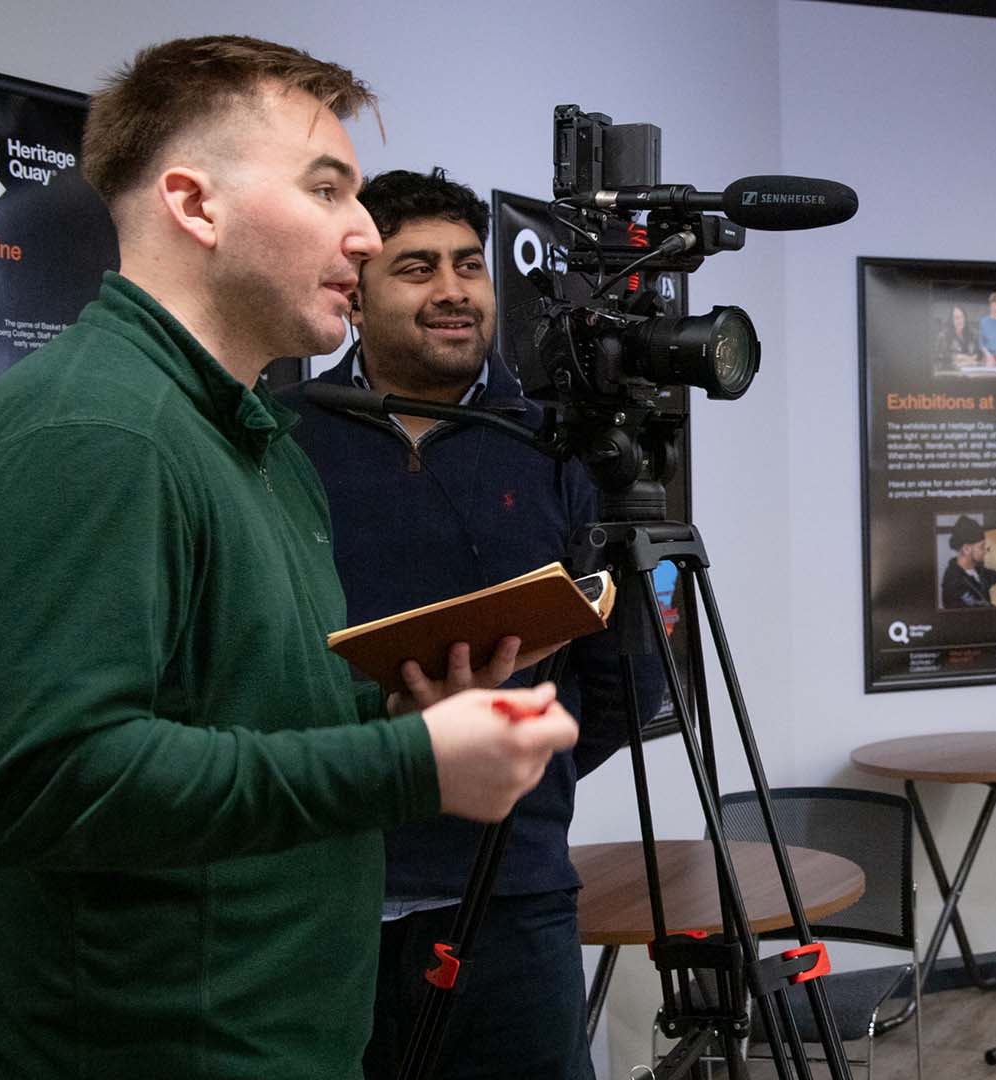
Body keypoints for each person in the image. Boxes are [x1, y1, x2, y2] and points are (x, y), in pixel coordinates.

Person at [0, 36, 582, 1080]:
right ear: (197, 207)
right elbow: (47, 781)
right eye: (327, 190)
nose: (365, 235)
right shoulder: (97, 430)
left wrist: (391, 726)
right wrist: (405, 763)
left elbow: (234, 718)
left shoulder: (254, 441)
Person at [277, 168, 625, 1080]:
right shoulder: (280, 440)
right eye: (418, 268)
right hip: (317, 889)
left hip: (510, 888)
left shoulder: (553, 449)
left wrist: (511, 760)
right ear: (354, 294)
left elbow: (624, 680)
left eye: (469, 266)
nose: (453, 291)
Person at [940, 514, 996, 608]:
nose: (985, 551)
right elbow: (988, 614)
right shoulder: (955, 583)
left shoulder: (975, 569)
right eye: (982, 547)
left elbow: (991, 577)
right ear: (966, 549)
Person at [939, 304, 980, 369]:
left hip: (971, 370)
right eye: (957, 318)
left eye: (962, 317)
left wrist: (974, 357)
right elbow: (941, 355)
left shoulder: (973, 334)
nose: (960, 320)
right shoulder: (944, 335)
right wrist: (959, 357)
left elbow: (979, 353)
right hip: (951, 372)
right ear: (951, 320)